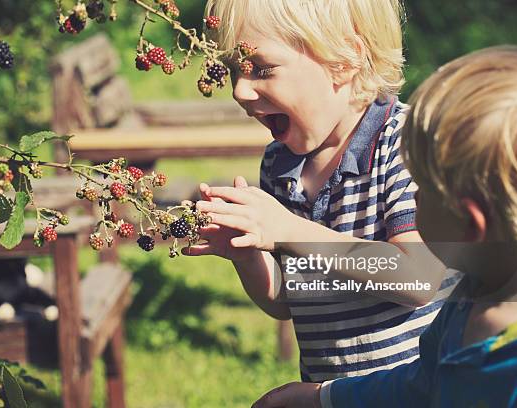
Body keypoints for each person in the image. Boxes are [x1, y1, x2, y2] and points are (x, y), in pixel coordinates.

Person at [186, 0, 458, 385]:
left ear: (343, 62)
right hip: (326, 392)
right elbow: (287, 300)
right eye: (234, 70)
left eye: (261, 68)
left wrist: (289, 231)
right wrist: (246, 254)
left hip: (413, 390)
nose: (240, 90)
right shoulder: (280, 163)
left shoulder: (403, 142)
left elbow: (418, 277)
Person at [252, 45, 517, 407]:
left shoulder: (513, 362)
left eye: (423, 190)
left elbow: (416, 277)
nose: (414, 198)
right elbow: (418, 384)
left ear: (470, 224)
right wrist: (324, 397)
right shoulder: (464, 305)